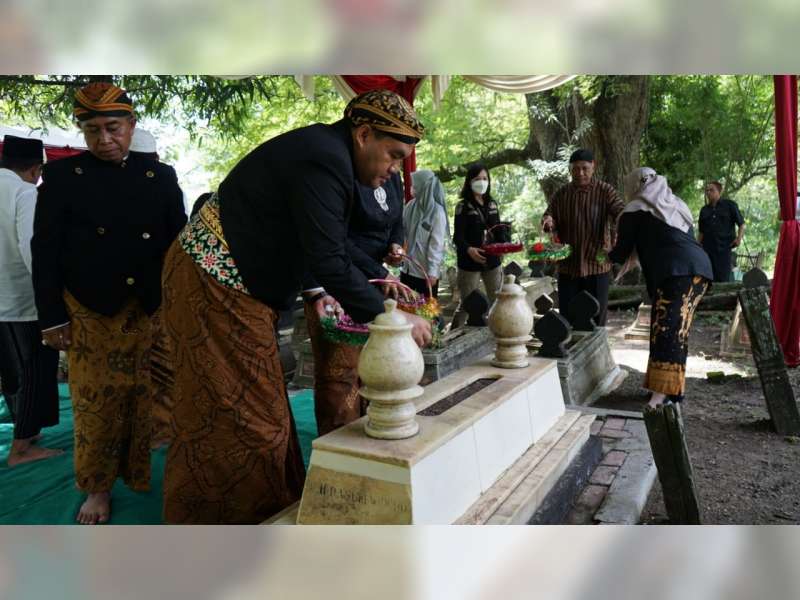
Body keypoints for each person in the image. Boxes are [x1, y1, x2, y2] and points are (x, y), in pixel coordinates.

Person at [161, 88, 431, 524]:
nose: (396, 170)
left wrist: (386, 286)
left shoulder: (334, 158)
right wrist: (392, 318)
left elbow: (337, 245)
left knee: (261, 412)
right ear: (363, 134)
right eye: (394, 155)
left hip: (237, 290)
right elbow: (327, 260)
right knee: (249, 419)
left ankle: (272, 508)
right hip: (212, 284)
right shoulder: (323, 160)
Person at [31, 82, 187, 524]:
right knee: (96, 402)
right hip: (90, 307)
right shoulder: (63, 177)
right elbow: (45, 251)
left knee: (167, 393)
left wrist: (178, 306)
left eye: (113, 128)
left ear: (132, 126)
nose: (104, 139)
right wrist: (52, 318)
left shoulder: (160, 177)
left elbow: (178, 248)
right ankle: (97, 488)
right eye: (92, 129)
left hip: (151, 305)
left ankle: (165, 466)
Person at [302, 169, 407, 437]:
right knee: (341, 373)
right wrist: (379, 272)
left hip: (371, 280)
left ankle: (372, 435)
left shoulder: (392, 175)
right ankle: (341, 447)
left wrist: (395, 245)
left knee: (374, 365)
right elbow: (336, 239)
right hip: (333, 281)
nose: (394, 165)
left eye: (400, 158)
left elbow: (396, 219)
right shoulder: (338, 175)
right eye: (392, 154)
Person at [608, 168, 713, 408]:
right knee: (670, 329)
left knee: (668, 330)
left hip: (678, 274)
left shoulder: (634, 211)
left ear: (634, 186)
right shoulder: (674, 204)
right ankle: (669, 390)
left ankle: (661, 396)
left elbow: (620, 252)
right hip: (697, 272)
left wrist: (602, 255)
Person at [0, 135, 61, 466]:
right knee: (35, 370)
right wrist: (50, 296)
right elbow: (31, 247)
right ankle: (21, 448)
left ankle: (24, 435)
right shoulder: (24, 192)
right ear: (36, 169)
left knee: (11, 372)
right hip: (22, 299)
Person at [542, 148, 625, 326]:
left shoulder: (605, 191)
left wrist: (621, 228)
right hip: (567, 266)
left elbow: (620, 212)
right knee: (567, 319)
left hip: (598, 264)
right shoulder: (562, 193)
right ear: (570, 170)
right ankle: (570, 351)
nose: (580, 173)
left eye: (585, 168)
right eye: (575, 169)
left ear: (593, 167)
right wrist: (548, 221)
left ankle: (598, 353)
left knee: (597, 319)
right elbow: (549, 216)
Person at [452, 163, 504, 326]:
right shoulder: (463, 206)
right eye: (477, 179)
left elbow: (499, 231)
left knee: (498, 301)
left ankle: (497, 334)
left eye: (484, 178)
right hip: (469, 262)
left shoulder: (493, 204)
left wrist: (504, 245)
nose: (481, 182)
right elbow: (458, 237)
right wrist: (469, 249)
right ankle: (453, 336)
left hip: (493, 260)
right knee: (468, 304)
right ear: (469, 181)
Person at [401, 169, 448, 298]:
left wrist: (433, 272)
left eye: (414, 185)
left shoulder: (437, 213)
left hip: (425, 274)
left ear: (424, 187)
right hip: (407, 269)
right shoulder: (410, 206)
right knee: (406, 308)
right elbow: (403, 233)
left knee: (425, 313)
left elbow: (436, 246)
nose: (412, 188)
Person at [698, 181, 745, 282]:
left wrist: (739, 239)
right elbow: (701, 232)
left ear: (719, 191)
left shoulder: (730, 205)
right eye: (707, 190)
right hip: (707, 250)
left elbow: (741, 224)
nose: (708, 192)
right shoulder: (704, 210)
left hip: (724, 250)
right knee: (707, 279)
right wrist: (697, 247)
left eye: (712, 190)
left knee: (722, 279)